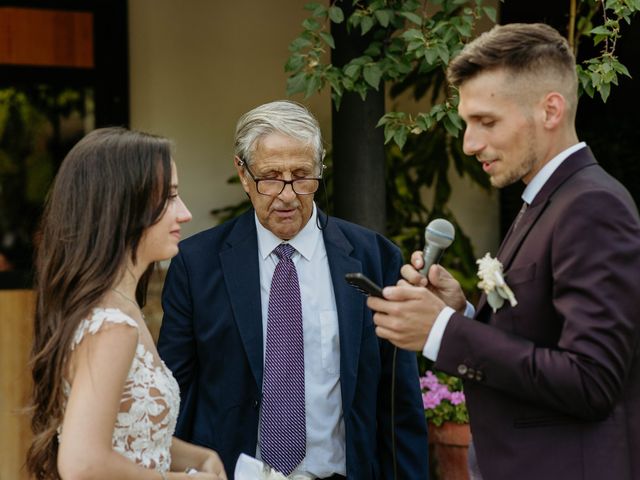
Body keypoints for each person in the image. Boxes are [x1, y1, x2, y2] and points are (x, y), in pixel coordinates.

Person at [369, 23, 640, 480]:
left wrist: (443, 331)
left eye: (486, 122)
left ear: (550, 110)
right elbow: (540, 339)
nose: (469, 144)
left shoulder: (592, 206)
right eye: (467, 123)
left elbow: (592, 380)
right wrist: (462, 313)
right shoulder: (546, 200)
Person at [158, 100, 428, 479]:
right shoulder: (196, 263)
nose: (287, 195)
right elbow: (176, 396)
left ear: (320, 170)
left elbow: (397, 399)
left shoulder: (373, 257)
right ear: (243, 172)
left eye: (302, 176)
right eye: (271, 176)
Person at [27, 127, 227, 480]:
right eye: (170, 197)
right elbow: (83, 462)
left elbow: (133, 434)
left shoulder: (118, 307)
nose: (184, 213)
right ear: (123, 206)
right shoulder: (112, 326)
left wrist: (201, 457)